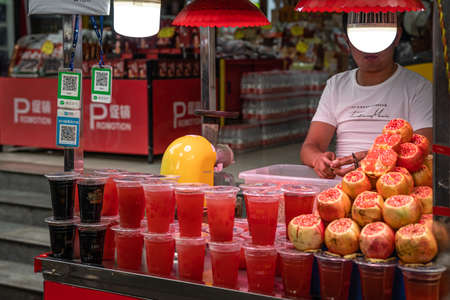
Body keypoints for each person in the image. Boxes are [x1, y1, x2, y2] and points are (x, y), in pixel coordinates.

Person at [300, 14, 433, 179]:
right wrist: (317, 159)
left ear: (396, 36)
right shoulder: (336, 85)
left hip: (394, 185)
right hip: (342, 186)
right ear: (347, 40)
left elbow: (424, 150)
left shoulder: (419, 87)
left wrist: (373, 158)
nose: (370, 47)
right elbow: (310, 146)